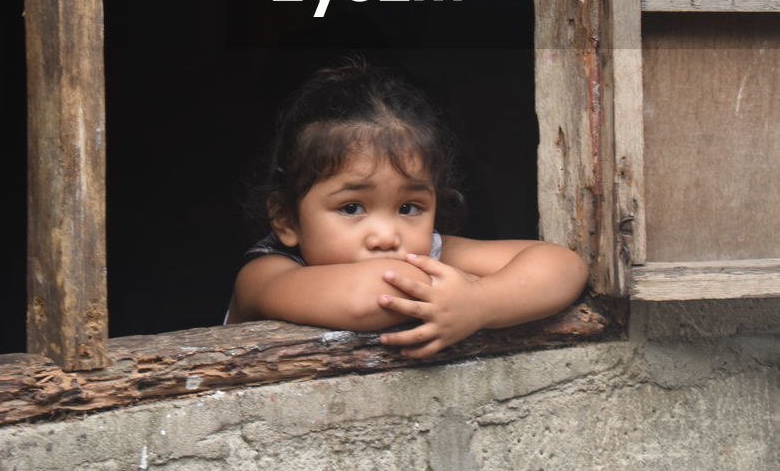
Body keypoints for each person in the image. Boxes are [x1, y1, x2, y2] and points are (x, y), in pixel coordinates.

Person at [227, 60, 588, 357]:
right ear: (286, 219)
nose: (386, 236)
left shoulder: (429, 251)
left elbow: (564, 266)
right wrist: (469, 288)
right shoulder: (264, 275)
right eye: (352, 208)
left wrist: (481, 302)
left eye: (409, 207)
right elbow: (367, 298)